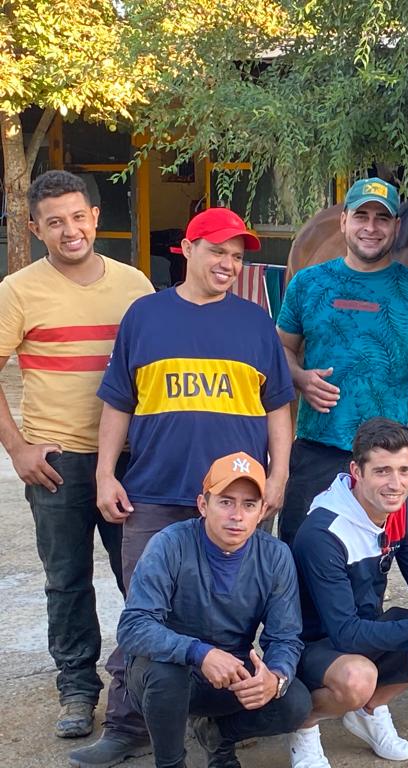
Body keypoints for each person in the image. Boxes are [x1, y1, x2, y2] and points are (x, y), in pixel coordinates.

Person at [71, 208, 294, 768]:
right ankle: (128, 724)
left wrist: (281, 473)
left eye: (237, 256)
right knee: (144, 614)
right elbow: (119, 401)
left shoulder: (254, 322)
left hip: (237, 496)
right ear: (187, 250)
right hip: (154, 492)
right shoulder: (145, 316)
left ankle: (214, 719)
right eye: (217, 251)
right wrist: (104, 472)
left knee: (229, 610)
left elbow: (278, 407)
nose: (228, 264)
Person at [0, 170, 152, 740]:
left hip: (130, 462)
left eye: (77, 216)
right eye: (54, 221)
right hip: (56, 464)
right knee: (66, 580)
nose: (70, 230)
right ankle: (77, 687)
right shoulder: (17, 291)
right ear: (37, 228)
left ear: (95, 217)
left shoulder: (134, 284)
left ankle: (143, 681)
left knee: (140, 577)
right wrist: (17, 447)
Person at [276, 177, 408, 546]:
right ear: (343, 221)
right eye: (361, 216)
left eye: (382, 219)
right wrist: (300, 377)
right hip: (318, 445)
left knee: (367, 571)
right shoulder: (308, 284)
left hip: (382, 460)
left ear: (397, 227)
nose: (371, 227)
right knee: (298, 556)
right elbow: (281, 349)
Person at [289, 418, 408, 766]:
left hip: (365, 631)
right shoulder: (324, 531)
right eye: (382, 471)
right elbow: (345, 634)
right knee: (357, 677)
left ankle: (370, 708)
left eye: (405, 470)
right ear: (356, 471)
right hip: (313, 645)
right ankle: (305, 723)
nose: (396, 484)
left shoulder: (399, 510)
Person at [118, 452, 311, 768]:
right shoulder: (170, 544)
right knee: (166, 676)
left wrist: (275, 677)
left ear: (262, 511)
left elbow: (286, 637)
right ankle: (170, 762)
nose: (237, 515)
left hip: (229, 675)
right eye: (226, 501)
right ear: (203, 504)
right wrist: (199, 652)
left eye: (249, 504)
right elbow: (134, 625)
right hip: (168, 672)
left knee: (295, 703)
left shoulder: (275, 556)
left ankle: (218, 736)